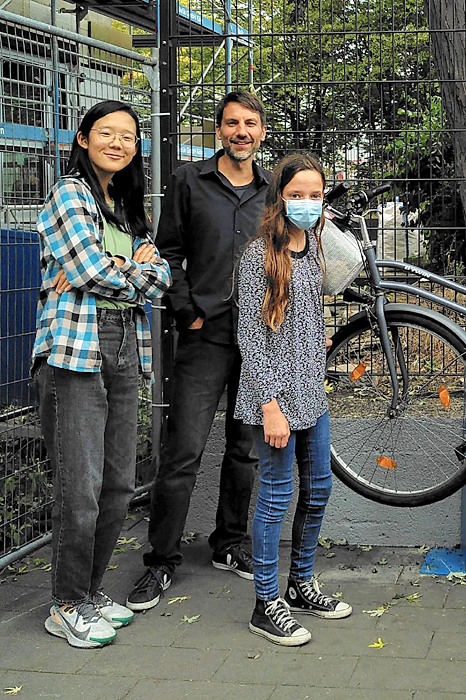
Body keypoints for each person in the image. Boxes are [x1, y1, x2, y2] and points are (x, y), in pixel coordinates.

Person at [32, 100, 171, 647]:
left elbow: (161, 279)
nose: (118, 142)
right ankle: (65, 603)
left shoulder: (128, 207)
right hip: (76, 353)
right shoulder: (70, 192)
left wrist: (122, 270)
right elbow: (90, 270)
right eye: (106, 133)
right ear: (85, 139)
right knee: (81, 487)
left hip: (124, 349)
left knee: (117, 485)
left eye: (128, 136)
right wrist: (127, 269)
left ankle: (87, 595)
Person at [128, 91, 270, 611]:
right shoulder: (189, 181)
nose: (241, 131)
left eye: (250, 123)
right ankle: (160, 561)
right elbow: (169, 252)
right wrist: (187, 311)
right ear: (219, 131)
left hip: (260, 340)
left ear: (260, 132)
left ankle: (229, 545)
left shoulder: (272, 189)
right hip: (204, 335)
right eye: (232, 123)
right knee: (184, 451)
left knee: (244, 449)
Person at [235, 153, 352, 645]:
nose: (306, 203)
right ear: (279, 197)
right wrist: (269, 405)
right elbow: (250, 336)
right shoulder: (258, 256)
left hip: (312, 393)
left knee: (318, 488)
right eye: (296, 194)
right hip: (276, 398)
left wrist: (314, 337)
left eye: (315, 195)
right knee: (277, 495)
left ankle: (301, 584)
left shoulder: (315, 247)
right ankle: (266, 603)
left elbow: (301, 311)